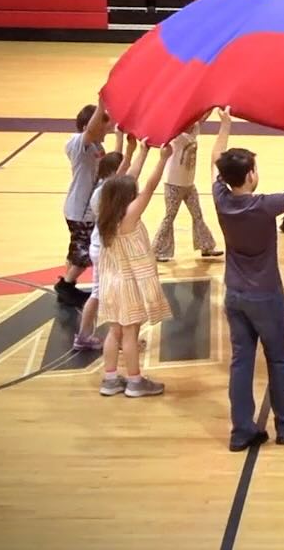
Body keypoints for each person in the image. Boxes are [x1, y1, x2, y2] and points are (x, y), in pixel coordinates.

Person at [212, 108, 284, 451]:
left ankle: (241, 431)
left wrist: (224, 125)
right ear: (249, 176)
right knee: (278, 358)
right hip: (265, 295)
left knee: (241, 361)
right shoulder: (265, 205)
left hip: (233, 294)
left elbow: (215, 161)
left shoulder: (222, 199)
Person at [95, 144, 174, 398]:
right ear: (127, 197)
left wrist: (142, 151)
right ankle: (135, 381)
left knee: (113, 331)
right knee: (130, 333)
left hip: (109, 281)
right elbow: (149, 185)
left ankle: (109, 379)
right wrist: (162, 159)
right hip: (127, 283)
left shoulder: (104, 212)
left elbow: (125, 179)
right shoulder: (129, 215)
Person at [73, 135, 140, 350]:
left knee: (97, 292)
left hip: (98, 245)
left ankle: (84, 335)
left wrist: (123, 140)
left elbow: (120, 168)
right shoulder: (106, 191)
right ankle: (121, 339)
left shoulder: (100, 188)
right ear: (113, 172)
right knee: (114, 293)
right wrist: (132, 151)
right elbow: (125, 170)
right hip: (106, 249)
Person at [56, 99, 110, 308]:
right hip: (79, 209)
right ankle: (66, 286)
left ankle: (67, 285)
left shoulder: (97, 145)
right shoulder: (78, 143)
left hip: (87, 209)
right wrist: (102, 103)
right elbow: (92, 127)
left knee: (77, 248)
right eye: (103, 126)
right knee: (84, 252)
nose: (107, 130)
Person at [153, 117, 223, 262]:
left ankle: (207, 246)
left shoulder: (194, 130)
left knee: (197, 215)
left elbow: (202, 117)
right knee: (169, 217)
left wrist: (212, 104)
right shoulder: (177, 136)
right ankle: (156, 250)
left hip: (189, 184)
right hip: (173, 184)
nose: (194, 123)